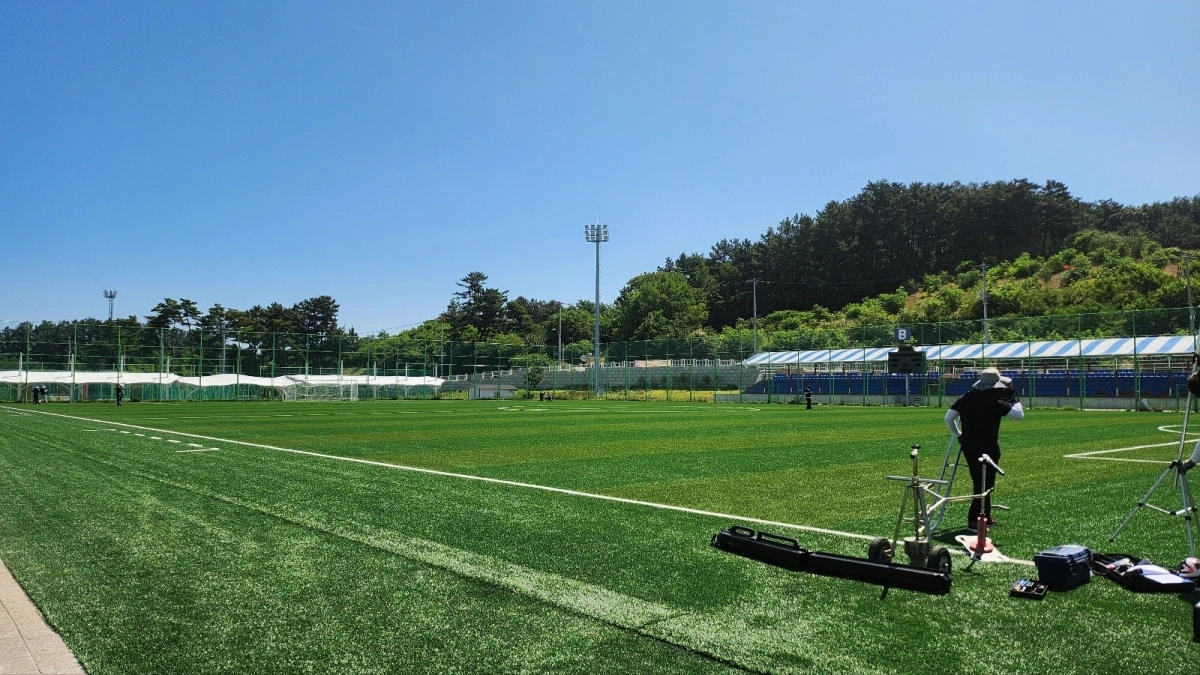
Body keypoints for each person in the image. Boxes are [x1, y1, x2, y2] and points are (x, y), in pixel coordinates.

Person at [945, 367, 1024, 531]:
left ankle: (984, 515)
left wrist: (959, 435)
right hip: (988, 447)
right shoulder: (995, 400)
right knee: (985, 483)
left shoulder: (966, 397)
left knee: (981, 481)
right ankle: (975, 519)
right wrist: (1013, 397)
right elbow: (1019, 415)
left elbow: (949, 418)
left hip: (968, 445)